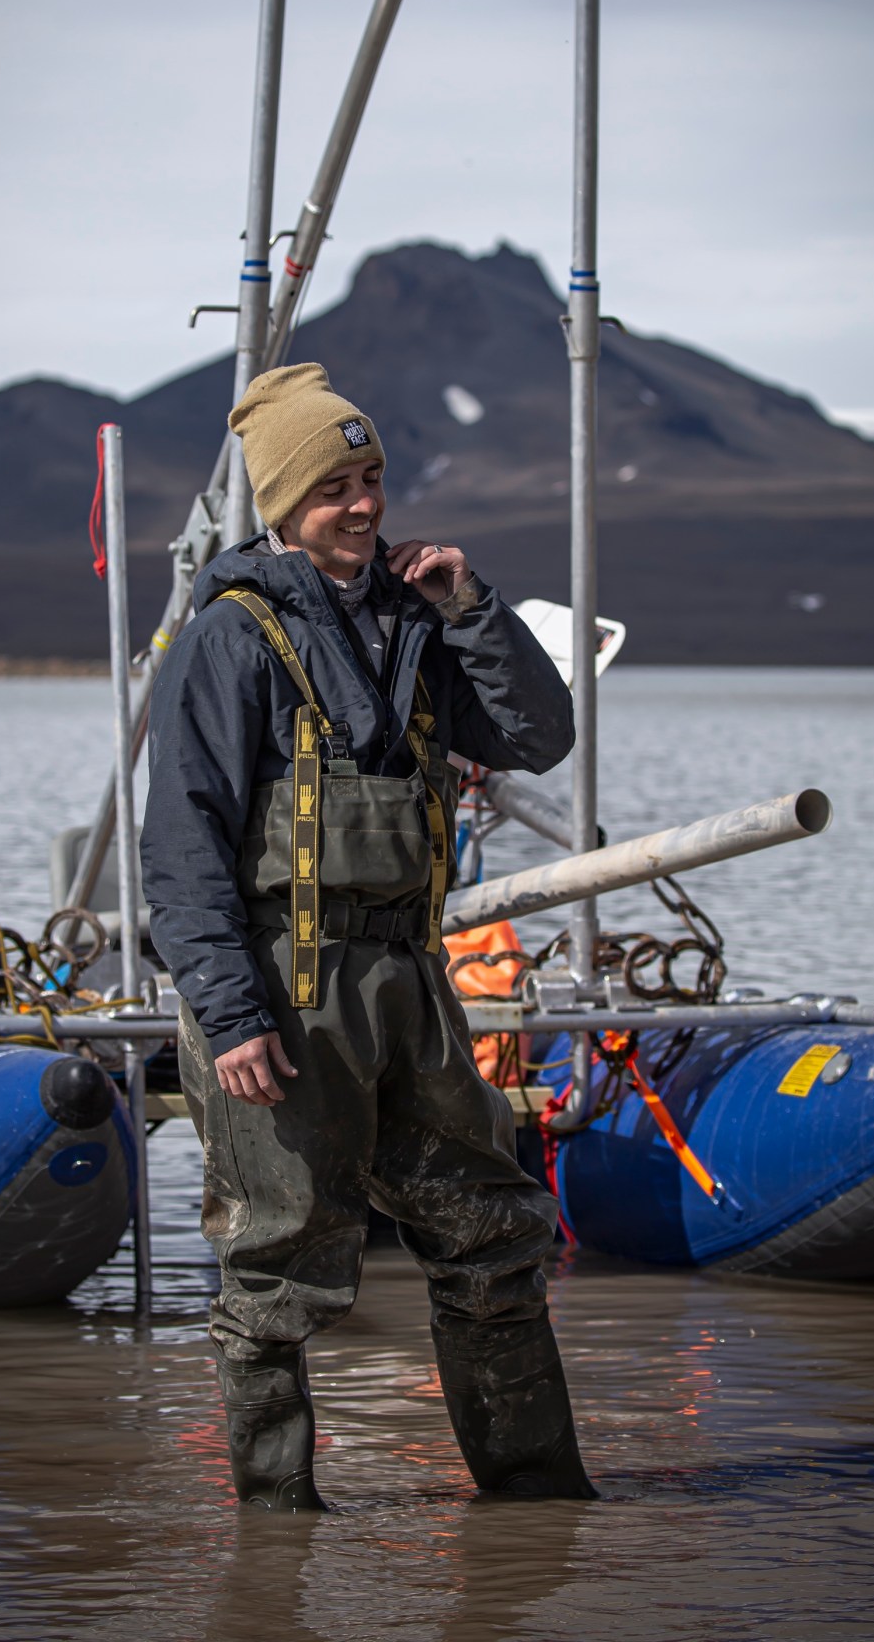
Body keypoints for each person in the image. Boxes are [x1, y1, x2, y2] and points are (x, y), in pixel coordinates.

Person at [141, 361, 596, 1509]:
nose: (364, 502)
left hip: (408, 980)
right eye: (336, 482)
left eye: (372, 475)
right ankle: (275, 1531)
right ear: (284, 501)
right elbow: (180, 843)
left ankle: (538, 1507)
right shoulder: (229, 638)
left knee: (492, 1235)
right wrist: (230, 1012)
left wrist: (470, 607)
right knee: (279, 1266)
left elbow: (539, 736)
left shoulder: (416, 618)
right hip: (281, 993)